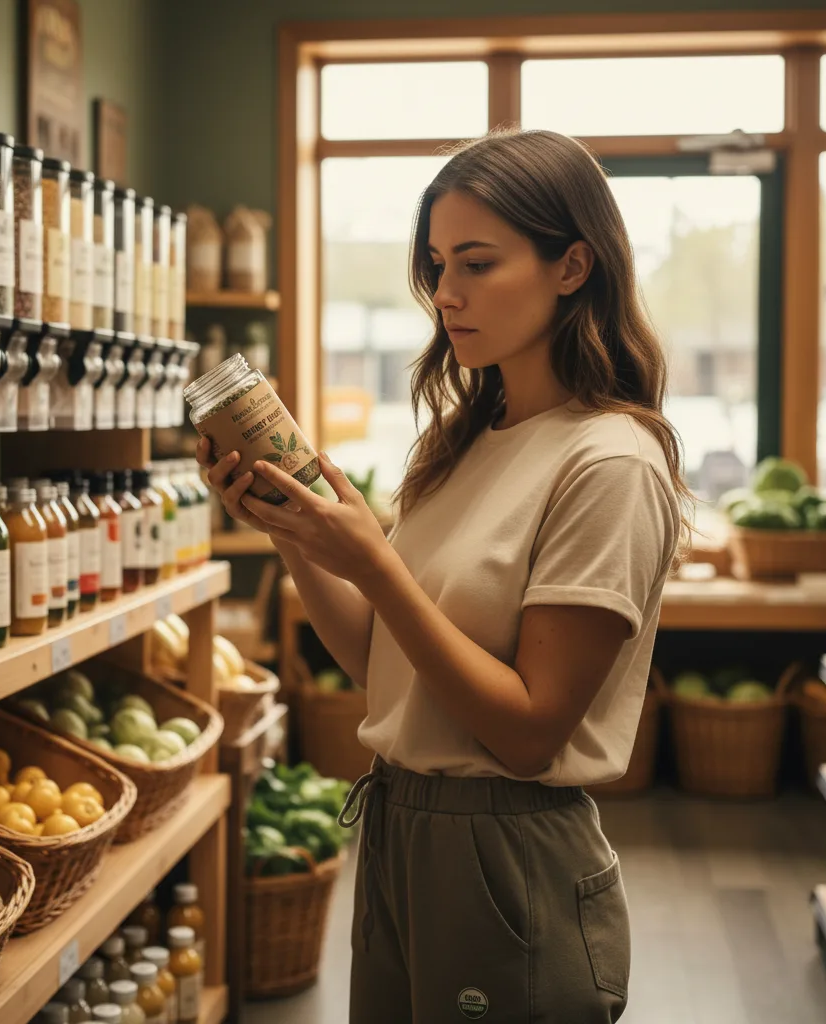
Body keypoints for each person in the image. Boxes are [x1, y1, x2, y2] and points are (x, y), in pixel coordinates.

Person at [195, 128, 686, 1024]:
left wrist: (377, 564)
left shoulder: (611, 463)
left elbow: (531, 733)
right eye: (436, 264)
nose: (446, 295)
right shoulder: (458, 441)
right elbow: (382, 665)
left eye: (477, 262)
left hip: (509, 860)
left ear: (572, 266)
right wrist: (295, 535)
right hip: (398, 833)